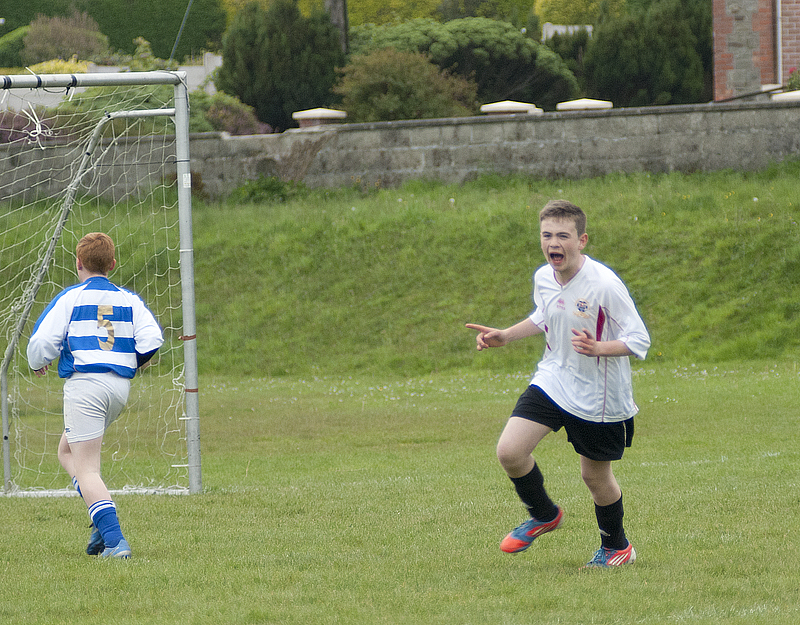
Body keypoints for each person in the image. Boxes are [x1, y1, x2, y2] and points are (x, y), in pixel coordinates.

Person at [466, 199, 650, 568]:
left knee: (594, 477)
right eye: (547, 235)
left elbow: (639, 339)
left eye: (563, 236)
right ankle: (544, 514)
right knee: (510, 451)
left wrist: (599, 348)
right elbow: (545, 314)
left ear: (581, 240)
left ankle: (617, 547)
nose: (554, 243)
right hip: (554, 378)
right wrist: (506, 335)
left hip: (598, 395)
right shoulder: (543, 277)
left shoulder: (603, 285)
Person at [27, 232, 163, 559]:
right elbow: (152, 339)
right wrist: (130, 360)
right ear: (112, 264)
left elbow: (41, 342)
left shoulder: (71, 297)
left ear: (78, 263)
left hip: (86, 386)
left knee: (87, 468)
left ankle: (115, 541)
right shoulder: (129, 299)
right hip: (118, 388)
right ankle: (100, 524)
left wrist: (38, 362)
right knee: (66, 451)